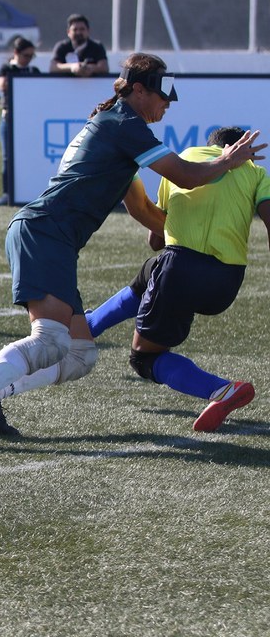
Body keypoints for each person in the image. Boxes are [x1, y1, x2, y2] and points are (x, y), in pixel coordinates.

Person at [0, 53, 265, 451]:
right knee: (49, 340)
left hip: (55, 240)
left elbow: (141, 210)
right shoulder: (125, 125)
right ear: (138, 90)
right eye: (162, 95)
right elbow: (186, 177)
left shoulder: (119, 127)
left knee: (80, 354)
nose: (167, 104)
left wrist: (181, 245)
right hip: (44, 232)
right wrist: (228, 159)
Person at [86, 127, 270, 432]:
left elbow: (156, 241)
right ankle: (90, 324)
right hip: (226, 283)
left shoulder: (185, 160)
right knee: (151, 271)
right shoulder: (257, 173)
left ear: (211, 146)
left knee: (144, 359)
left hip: (181, 268)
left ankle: (221, 389)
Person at [0, 35, 41, 206]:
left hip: (28, 120)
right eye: (26, 56)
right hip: (9, 118)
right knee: (7, 157)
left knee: (29, 155)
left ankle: (29, 189)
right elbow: (1, 85)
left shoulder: (33, 72)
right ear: (16, 53)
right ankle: (7, 192)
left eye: (31, 56)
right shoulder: (6, 69)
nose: (28, 60)